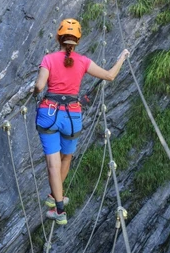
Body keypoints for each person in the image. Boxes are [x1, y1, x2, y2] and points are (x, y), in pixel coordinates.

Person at [34, 18, 129, 225]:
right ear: (78, 40)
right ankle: (55, 197)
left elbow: (40, 86)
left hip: (49, 114)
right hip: (72, 116)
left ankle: (59, 208)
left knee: (52, 163)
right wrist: (121, 57)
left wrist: (34, 91)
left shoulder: (49, 59)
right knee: (66, 157)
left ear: (59, 38)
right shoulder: (84, 61)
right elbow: (110, 76)